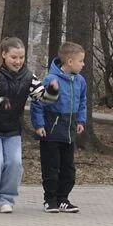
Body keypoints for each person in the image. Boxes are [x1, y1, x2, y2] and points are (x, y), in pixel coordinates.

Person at [0, 37, 59, 213]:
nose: (18, 61)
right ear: (4, 55)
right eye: (14, 57)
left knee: (14, 163)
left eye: (21, 57)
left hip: (12, 129)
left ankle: (6, 199)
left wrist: (52, 91)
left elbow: (44, 98)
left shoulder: (28, 77)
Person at [31, 42, 88, 214]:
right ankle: (50, 200)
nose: (83, 64)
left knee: (68, 169)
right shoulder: (51, 79)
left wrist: (81, 120)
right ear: (70, 62)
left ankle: (63, 199)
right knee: (51, 168)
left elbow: (83, 102)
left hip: (68, 132)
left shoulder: (80, 81)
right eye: (81, 61)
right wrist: (39, 125)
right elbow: (38, 103)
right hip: (52, 131)